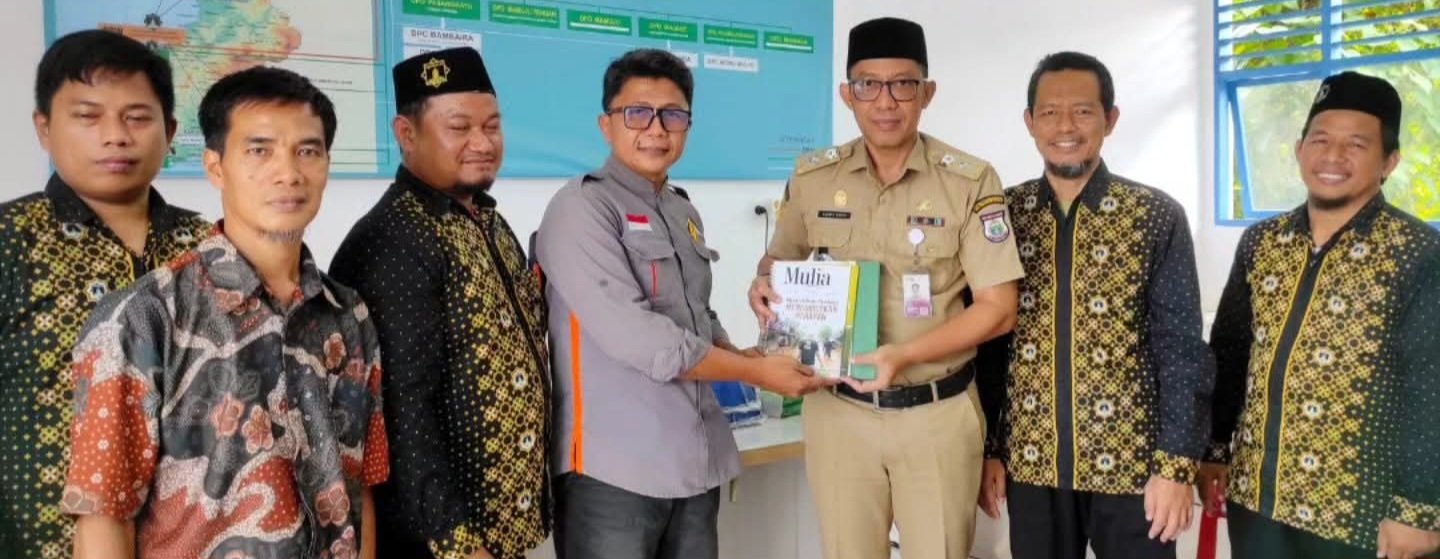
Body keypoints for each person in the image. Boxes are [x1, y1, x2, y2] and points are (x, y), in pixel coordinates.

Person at [60, 65, 387, 559]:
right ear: (215, 167)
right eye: (259, 150)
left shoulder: (348, 313)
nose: (288, 173)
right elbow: (103, 516)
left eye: (308, 151)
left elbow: (360, 483)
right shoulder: (144, 317)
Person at [748, 17, 1023, 559]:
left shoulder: (969, 181)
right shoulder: (813, 178)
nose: (885, 101)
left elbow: (999, 309)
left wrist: (903, 356)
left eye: (903, 84)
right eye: (869, 84)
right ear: (847, 94)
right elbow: (780, 258)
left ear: (927, 92)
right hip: (838, 412)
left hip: (936, 411)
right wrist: (763, 280)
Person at [536, 48, 820, 559]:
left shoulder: (680, 209)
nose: (656, 129)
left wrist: (744, 354)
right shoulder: (581, 208)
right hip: (612, 474)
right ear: (606, 124)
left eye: (672, 115)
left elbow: (696, 312)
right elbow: (641, 339)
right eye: (637, 113)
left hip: (692, 462)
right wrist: (755, 373)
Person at [974, 51, 1214, 559]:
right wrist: (989, 448)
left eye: (1083, 111)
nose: (1066, 127)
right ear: (1029, 122)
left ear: (1110, 118)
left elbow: (1181, 350)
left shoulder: (1154, 216)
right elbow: (989, 345)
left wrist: (1176, 465)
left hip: (1135, 466)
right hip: (1032, 461)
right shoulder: (1003, 216)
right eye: (1049, 112)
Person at [1201, 71, 1440, 559]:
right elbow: (1230, 353)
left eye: (1357, 144)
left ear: (1389, 161)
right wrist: (1214, 450)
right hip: (1258, 501)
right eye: (1321, 139)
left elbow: (1430, 387)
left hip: (1362, 516)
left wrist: (1419, 509)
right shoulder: (1263, 243)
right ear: (1299, 149)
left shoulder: (1419, 254)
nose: (1333, 156)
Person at [329, 47, 550, 559]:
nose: (483, 143)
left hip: (501, 530)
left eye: (492, 126)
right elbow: (401, 410)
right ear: (406, 134)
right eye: (459, 127)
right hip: (438, 542)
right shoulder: (394, 239)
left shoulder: (486, 220)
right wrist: (456, 542)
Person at [0, 29, 210, 559]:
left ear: (170, 131)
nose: (115, 136)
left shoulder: (209, 247)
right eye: (88, 117)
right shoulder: (10, 240)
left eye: (137, 118)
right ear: (44, 128)